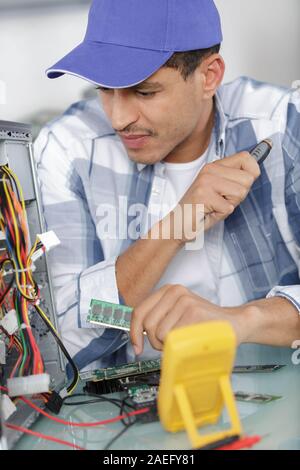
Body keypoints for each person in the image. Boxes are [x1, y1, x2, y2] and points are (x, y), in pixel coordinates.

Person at [35, 0, 300, 371]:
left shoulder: (284, 125)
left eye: (144, 92)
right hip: (128, 416)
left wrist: (242, 320)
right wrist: (174, 228)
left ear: (209, 76)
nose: (119, 118)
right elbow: (57, 332)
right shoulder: (68, 149)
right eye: (104, 89)